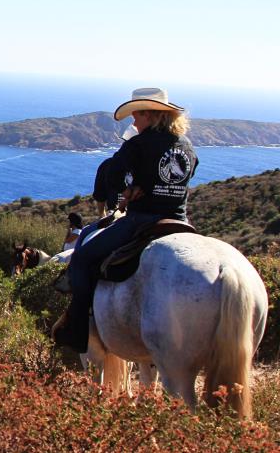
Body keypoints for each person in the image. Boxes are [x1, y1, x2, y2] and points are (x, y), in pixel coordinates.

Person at [54, 87, 197, 352]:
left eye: (136, 116)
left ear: (149, 115)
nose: (134, 121)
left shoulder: (138, 144)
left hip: (143, 220)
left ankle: (76, 330)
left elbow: (113, 174)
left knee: (83, 258)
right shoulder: (186, 145)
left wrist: (128, 188)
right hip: (181, 221)